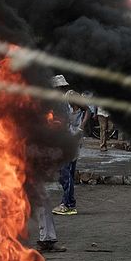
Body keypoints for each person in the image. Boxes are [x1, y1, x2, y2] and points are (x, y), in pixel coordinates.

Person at [52, 80, 90, 216]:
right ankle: (69, 203)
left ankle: (67, 204)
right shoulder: (60, 103)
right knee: (67, 173)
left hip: (73, 141)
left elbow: (88, 110)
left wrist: (81, 127)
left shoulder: (70, 95)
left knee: (65, 173)